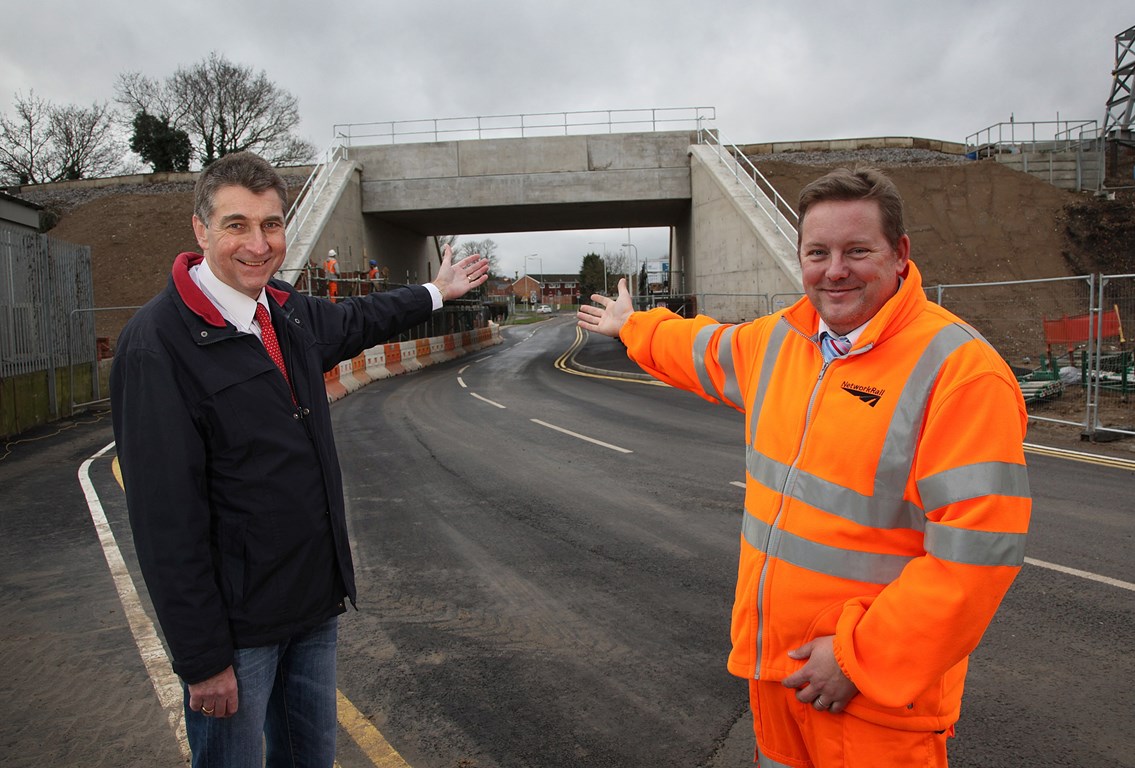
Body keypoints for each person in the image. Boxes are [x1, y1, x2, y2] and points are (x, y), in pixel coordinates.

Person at [578, 166, 1031, 767]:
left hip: (873, 698)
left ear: (900, 255)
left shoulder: (961, 373)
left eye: (857, 250)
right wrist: (632, 326)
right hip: (779, 673)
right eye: (817, 252)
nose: (834, 269)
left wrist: (856, 658)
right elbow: (702, 349)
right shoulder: (781, 342)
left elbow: (975, 557)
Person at [110, 151, 488, 767]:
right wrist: (203, 659)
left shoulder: (281, 312)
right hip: (237, 634)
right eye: (237, 225)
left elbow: (359, 318)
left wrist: (434, 292)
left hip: (312, 606)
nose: (259, 244)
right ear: (201, 231)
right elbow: (164, 521)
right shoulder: (158, 345)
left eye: (272, 225)